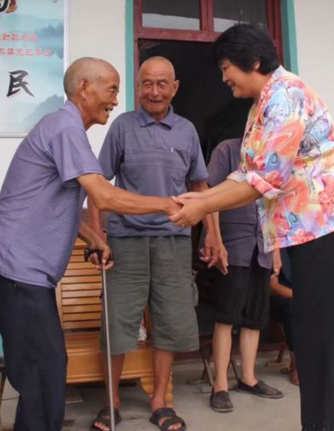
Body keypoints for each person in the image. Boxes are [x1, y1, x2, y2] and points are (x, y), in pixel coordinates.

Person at [169, 24, 334, 431]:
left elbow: (264, 180)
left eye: (226, 67)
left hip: (326, 224)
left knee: (314, 331)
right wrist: (202, 200)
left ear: (254, 62)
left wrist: (202, 204)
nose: (223, 77)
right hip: (306, 228)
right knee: (318, 328)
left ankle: (324, 424)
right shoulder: (263, 103)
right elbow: (247, 172)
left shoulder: (286, 97)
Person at [0, 57, 182, 431]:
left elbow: (50, 200)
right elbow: (104, 195)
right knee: (44, 372)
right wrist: (171, 204)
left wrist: (93, 237)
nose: (115, 100)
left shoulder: (66, 128)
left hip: (16, 268)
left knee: (42, 371)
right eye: (112, 90)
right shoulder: (65, 128)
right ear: (84, 87)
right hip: (17, 267)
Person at [88, 56, 220, 431]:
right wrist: (97, 235)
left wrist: (212, 232)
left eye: (162, 83)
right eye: (147, 83)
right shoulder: (122, 127)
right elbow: (97, 183)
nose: (155, 91)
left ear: (175, 88)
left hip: (174, 241)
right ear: (138, 87)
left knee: (170, 322)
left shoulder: (187, 131)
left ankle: (160, 401)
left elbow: (200, 186)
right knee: (117, 322)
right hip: (125, 241)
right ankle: (111, 402)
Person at [200, 138, 283, 413]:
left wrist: (276, 249)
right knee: (226, 316)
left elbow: (275, 205)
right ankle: (220, 385)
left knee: (255, 317)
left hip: (263, 246)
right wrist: (215, 239)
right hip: (233, 245)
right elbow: (209, 195)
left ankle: (248, 378)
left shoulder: (273, 154)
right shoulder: (227, 150)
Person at [269, 251, 334, 386]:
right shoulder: (275, 245)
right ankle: (298, 364)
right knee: (294, 307)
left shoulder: (314, 244)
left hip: (315, 295)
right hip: (283, 297)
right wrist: (302, 298)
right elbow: (271, 285)